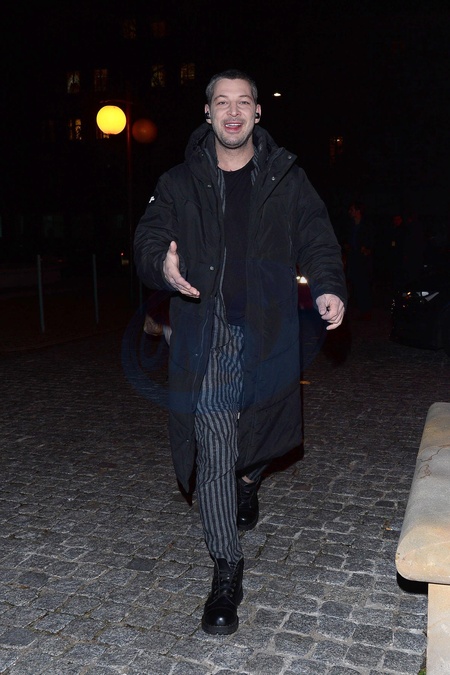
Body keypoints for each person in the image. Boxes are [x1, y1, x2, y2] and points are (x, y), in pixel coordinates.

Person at [134, 69, 347, 635]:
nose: (232, 112)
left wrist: (327, 286)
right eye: (222, 102)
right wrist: (163, 267)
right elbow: (148, 238)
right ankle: (227, 567)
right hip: (209, 330)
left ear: (257, 112)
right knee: (214, 437)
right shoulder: (179, 181)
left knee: (260, 428)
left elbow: (317, 236)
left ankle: (248, 480)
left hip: (270, 327)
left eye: (243, 102)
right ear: (207, 113)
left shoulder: (286, 177)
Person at [344, 201, 374, 319]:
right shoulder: (350, 226)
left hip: (363, 261)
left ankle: (366, 310)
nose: (350, 212)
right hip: (353, 258)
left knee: (364, 284)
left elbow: (372, 241)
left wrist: (367, 249)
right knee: (355, 284)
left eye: (352, 210)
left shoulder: (366, 225)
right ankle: (360, 308)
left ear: (358, 211)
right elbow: (347, 240)